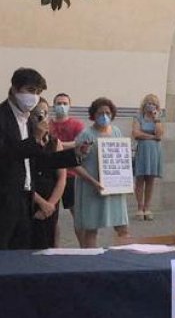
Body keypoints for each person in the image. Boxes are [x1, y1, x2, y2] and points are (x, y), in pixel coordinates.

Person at [0, 68, 85, 252]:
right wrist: (34, 140)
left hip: (24, 200)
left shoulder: (28, 121)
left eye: (37, 92)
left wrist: (74, 154)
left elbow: (36, 161)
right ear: (14, 89)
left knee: (21, 256)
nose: (33, 97)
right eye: (29, 90)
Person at [73, 97, 130, 247]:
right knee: (91, 229)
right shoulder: (86, 134)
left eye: (107, 112)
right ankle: (90, 263)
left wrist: (125, 180)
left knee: (122, 226)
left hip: (114, 188)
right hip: (92, 188)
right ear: (93, 115)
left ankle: (124, 261)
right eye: (100, 113)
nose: (104, 116)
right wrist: (94, 182)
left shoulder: (117, 131)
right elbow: (74, 163)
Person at [29, 100, 68, 250]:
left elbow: (62, 177)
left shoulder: (54, 143)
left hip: (51, 200)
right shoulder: (24, 142)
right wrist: (41, 202)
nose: (41, 117)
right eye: (37, 113)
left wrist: (51, 203)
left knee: (48, 243)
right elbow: (18, 177)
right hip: (30, 199)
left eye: (44, 113)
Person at [50, 92, 86, 242]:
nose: (62, 106)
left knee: (77, 215)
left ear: (69, 106)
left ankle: (85, 248)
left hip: (72, 175)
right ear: (54, 106)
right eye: (59, 103)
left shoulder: (77, 125)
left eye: (64, 103)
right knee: (52, 217)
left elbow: (81, 142)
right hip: (52, 175)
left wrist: (58, 145)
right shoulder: (48, 124)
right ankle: (54, 249)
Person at [131, 94, 164, 220]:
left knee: (150, 180)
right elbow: (136, 133)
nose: (151, 105)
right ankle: (139, 207)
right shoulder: (138, 117)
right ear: (144, 104)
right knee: (140, 179)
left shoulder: (159, 118)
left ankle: (147, 208)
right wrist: (151, 137)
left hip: (154, 151)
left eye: (154, 103)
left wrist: (156, 119)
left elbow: (160, 135)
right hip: (142, 150)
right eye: (149, 103)